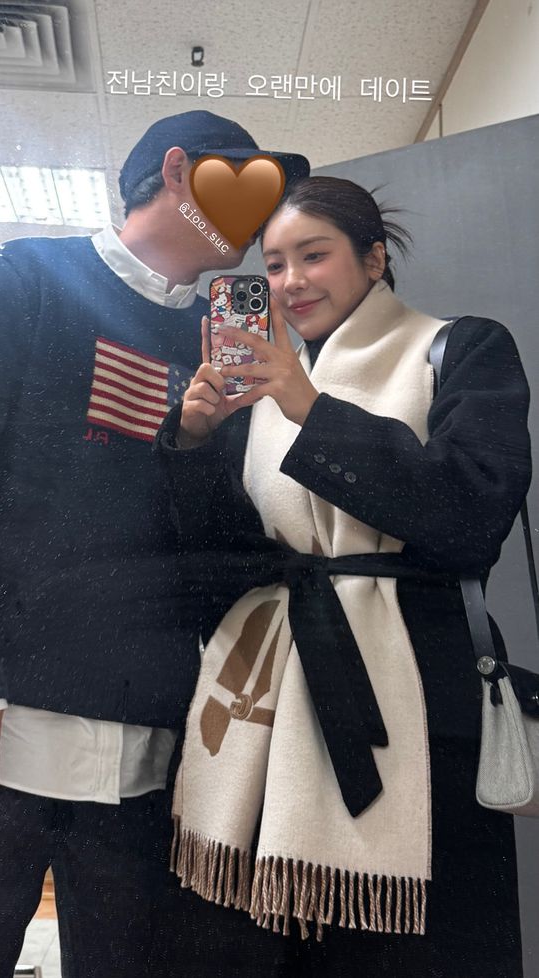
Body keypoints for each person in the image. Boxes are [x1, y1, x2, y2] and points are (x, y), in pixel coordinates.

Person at [0, 110, 309, 978]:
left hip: (154, 734)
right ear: (177, 174)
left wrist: (218, 431)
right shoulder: (21, 278)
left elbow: (222, 542)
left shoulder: (218, 339)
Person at [156, 175, 531, 977]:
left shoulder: (460, 348)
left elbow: (472, 515)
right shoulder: (260, 388)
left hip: (421, 685)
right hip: (269, 694)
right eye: (275, 265)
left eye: (314, 255)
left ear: (374, 258)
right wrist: (194, 443)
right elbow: (220, 557)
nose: (291, 282)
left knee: (417, 946)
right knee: (266, 941)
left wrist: (309, 408)